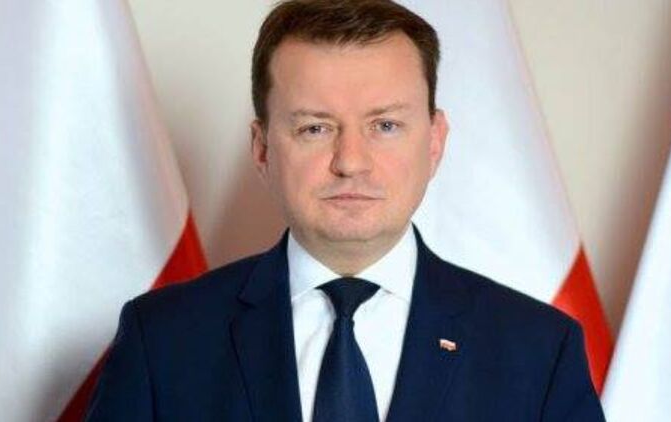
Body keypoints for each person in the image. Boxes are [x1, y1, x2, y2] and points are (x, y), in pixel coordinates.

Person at [85, 0, 605, 421]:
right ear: (262, 149)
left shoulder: (539, 349)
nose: (351, 162)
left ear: (435, 141)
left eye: (385, 126)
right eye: (315, 128)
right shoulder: (163, 340)